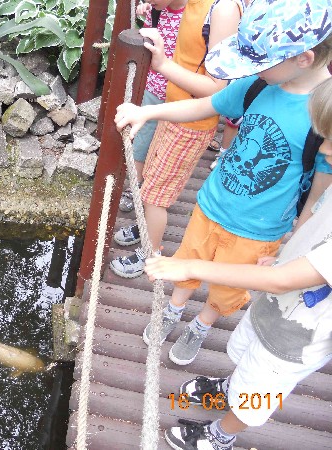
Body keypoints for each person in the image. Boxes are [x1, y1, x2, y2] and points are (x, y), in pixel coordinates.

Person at [114, 0, 332, 366]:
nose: (252, 69)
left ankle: (202, 324)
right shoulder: (258, 85)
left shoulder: (324, 114)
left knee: (228, 288)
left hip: (260, 229)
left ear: (303, 59)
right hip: (211, 204)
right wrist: (149, 111)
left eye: (260, 61)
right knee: (187, 261)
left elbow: (317, 197)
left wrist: (291, 249)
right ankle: (174, 308)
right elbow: (207, 105)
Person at [143, 76, 332, 450]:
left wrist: (191, 268)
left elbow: (286, 279)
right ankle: (231, 387)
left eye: (331, 139)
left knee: (262, 387)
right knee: (249, 357)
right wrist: (287, 252)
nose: (323, 147)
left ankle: (221, 434)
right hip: (277, 307)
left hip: (300, 334)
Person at [109, 0, 244, 269]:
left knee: (156, 196)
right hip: (173, 110)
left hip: (191, 123)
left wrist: (162, 65)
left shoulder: (223, 9)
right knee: (151, 181)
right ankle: (145, 228)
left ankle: (150, 254)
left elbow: (219, 90)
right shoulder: (189, 5)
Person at [118, 0, 187, 215]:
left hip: (181, 94)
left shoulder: (196, 17)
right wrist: (148, 12)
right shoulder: (157, 10)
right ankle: (134, 186)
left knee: (166, 145)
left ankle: (155, 189)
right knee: (142, 140)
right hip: (154, 90)